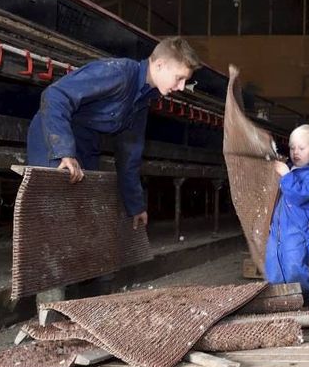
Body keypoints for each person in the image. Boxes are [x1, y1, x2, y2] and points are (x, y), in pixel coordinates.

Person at [26, 37, 200, 230]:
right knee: (56, 214)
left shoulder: (142, 101)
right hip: (53, 137)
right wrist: (63, 151)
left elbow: (129, 155)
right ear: (160, 65)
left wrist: (136, 206)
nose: (182, 87)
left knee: (81, 216)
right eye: (180, 78)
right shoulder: (118, 73)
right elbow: (55, 95)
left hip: (84, 146)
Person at [265, 124, 309, 311]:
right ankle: (284, 305)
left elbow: (299, 195)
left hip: (296, 234)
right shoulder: (289, 171)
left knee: (295, 269)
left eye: (301, 148)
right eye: (293, 147)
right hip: (276, 233)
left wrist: (285, 175)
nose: (296, 152)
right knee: (273, 270)